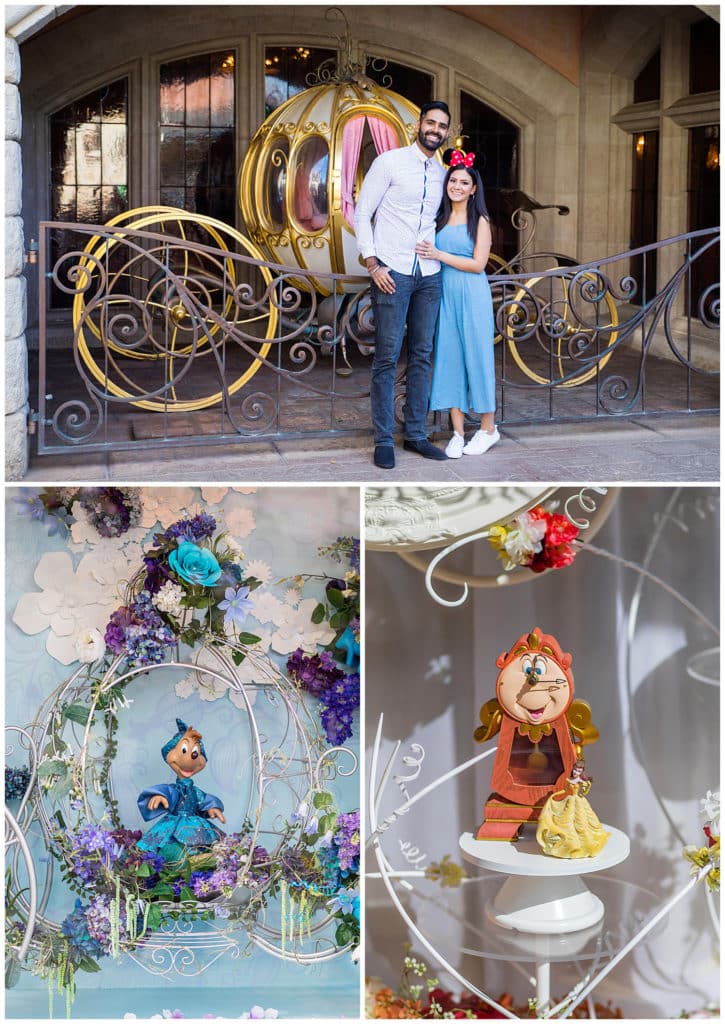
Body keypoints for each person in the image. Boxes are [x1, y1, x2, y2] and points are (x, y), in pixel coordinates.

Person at [354, 100, 451, 470]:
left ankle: (415, 434)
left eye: (442, 126)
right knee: (387, 357)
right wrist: (372, 261)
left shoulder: (445, 174)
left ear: (446, 132)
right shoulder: (390, 162)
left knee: (423, 355)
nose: (435, 130)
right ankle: (382, 439)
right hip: (392, 271)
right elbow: (363, 212)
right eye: (431, 123)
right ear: (419, 124)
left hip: (429, 275)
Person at [415, 147, 499, 459]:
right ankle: (458, 433)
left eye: (464, 183)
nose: (458, 187)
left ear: (473, 188)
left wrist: (439, 255)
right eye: (454, 181)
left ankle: (488, 429)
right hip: (444, 293)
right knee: (450, 360)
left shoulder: (480, 220)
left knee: (477, 359)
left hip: (472, 294)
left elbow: (478, 264)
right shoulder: (438, 219)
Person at [536, 759, 610, 859]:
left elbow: (583, 792)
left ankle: (584, 845)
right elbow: (566, 790)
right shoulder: (569, 779)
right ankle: (566, 843)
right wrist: (555, 795)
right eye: (575, 770)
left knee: (582, 821)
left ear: (582, 771)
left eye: (579, 771)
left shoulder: (581, 781)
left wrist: (586, 788)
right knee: (565, 821)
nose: (576, 772)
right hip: (569, 800)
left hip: (578, 801)